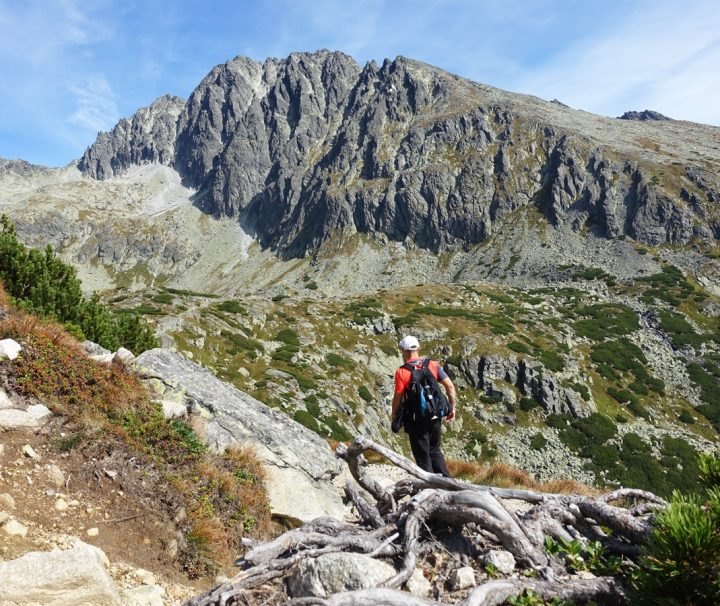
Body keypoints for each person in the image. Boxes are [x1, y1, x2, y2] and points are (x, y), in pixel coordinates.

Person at [391, 335, 456, 477]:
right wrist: (452, 408)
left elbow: (398, 397)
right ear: (418, 348)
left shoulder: (402, 372)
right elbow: (450, 386)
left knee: (422, 456)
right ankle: (448, 484)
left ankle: (429, 489)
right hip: (435, 415)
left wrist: (394, 414)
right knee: (434, 450)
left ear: (403, 351)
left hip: (416, 420)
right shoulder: (432, 364)